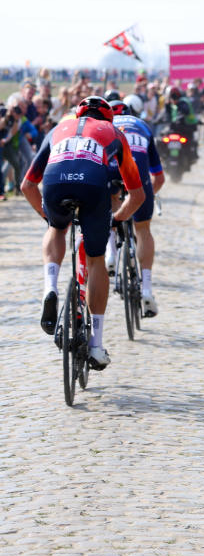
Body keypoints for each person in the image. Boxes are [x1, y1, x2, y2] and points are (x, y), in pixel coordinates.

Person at [20, 96, 144, 369]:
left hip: (54, 183)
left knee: (56, 229)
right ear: (108, 118)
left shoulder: (57, 129)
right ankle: (96, 346)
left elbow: (27, 186)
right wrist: (116, 218)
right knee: (97, 258)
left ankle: (49, 289)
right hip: (92, 186)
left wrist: (50, 218)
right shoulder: (114, 133)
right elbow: (137, 194)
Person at [109, 100, 165, 317]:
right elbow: (159, 177)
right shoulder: (142, 125)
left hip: (112, 171)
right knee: (143, 230)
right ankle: (147, 288)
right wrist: (147, 194)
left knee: (112, 198)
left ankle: (110, 253)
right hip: (140, 176)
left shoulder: (105, 125)